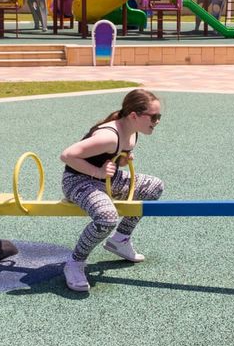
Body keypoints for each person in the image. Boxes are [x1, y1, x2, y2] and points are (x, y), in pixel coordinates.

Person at [59, 89, 165, 292]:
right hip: (78, 181)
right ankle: (74, 262)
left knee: (154, 187)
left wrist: (122, 160)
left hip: (104, 179)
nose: (157, 121)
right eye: (154, 116)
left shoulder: (133, 131)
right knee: (107, 217)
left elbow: (111, 159)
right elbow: (67, 155)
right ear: (134, 115)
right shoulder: (108, 136)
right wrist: (98, 172)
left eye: (159, 116)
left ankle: (120, 240)